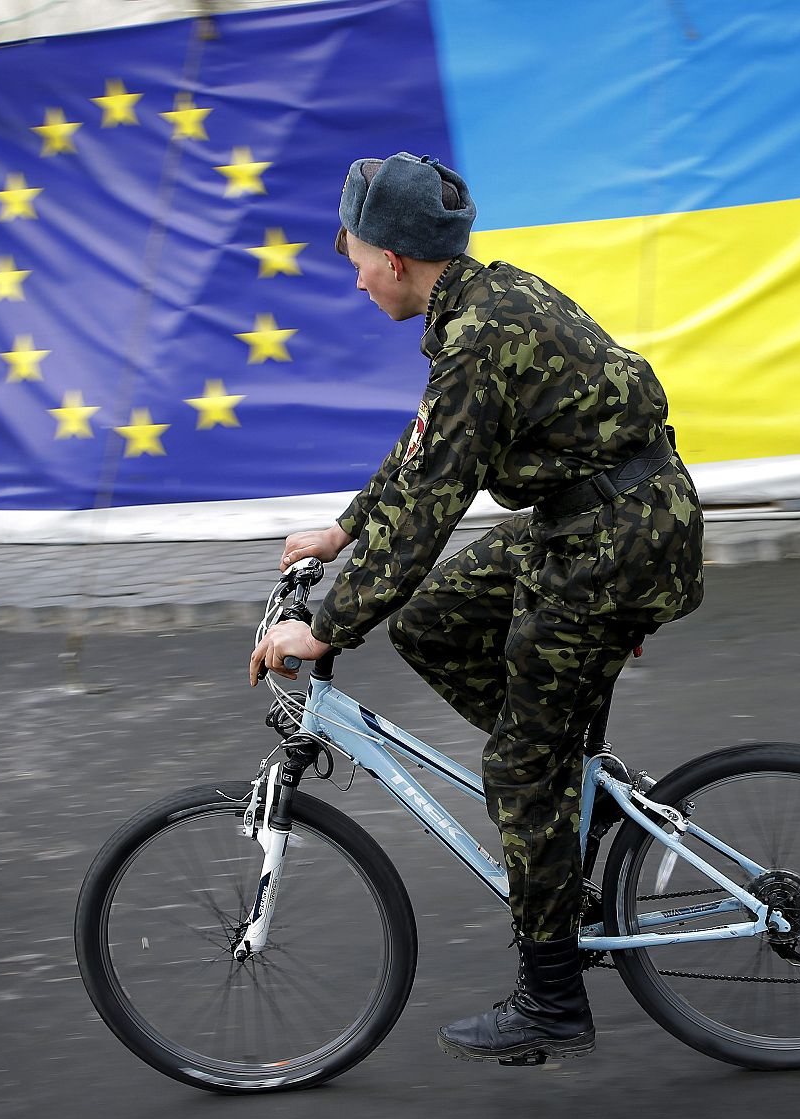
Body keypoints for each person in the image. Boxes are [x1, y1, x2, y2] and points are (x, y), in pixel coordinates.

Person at [249, 152, 704, 1064]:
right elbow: (429, 445)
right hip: (599, 520)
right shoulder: (480, 303)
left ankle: (552, 1001)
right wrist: (344, 530)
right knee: (433, 621)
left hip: (614, 542)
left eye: (358, 262)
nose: (356, 280)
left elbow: (428, 512)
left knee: (520, 772)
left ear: (395, 259)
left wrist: (326, 628)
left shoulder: (477, 339)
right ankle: (578, 788)